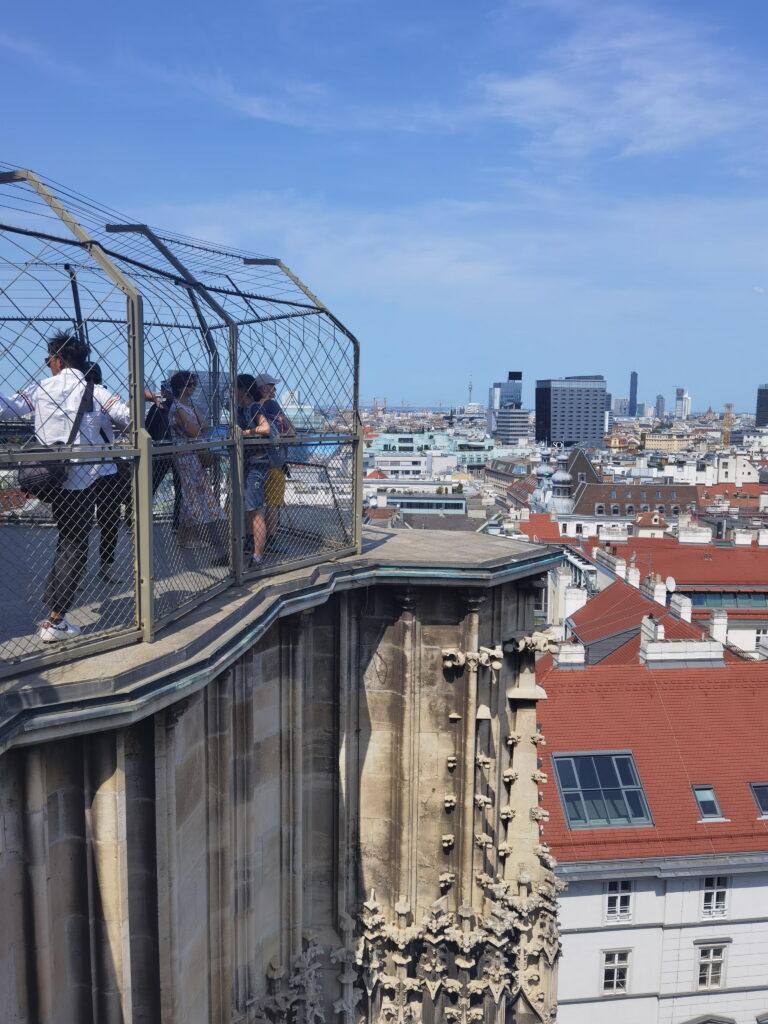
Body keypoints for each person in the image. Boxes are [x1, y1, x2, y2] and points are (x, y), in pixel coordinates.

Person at [0, 331, 130, 642]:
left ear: (57, 359)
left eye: (49, 359)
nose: (48, 364)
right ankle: (56, 619)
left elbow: (6, 409)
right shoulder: (94, 390)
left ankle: (54, 610)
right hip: (82, 480)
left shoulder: (41, 387)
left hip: (47, 477)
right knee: (74, 543)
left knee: (65, 538)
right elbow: (128, 416)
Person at [168, 370, 227, 564]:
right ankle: (189, 536)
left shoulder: (188, 405)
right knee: (190, 493)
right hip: (185, 454)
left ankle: (185, 536)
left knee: (193, 492)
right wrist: (199, 429)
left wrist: (199, 429)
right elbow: (195, 431)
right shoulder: (177, 407)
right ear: (180, 387)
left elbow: (204, 425)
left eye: (193, 384)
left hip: (192, 453)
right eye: (189, 384)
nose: (192, 387)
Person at [253, 373, 296, 552]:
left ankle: (252, 540)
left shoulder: (253, 407)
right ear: (263, 388)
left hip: (255, 461)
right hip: (274, 463)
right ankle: (270, 539)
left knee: (256, 506)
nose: (275, 389)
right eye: (271, 385)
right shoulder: (271, 405)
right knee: (272, 504)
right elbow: (290, 431)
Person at [235, 374, 270, 567]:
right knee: (251, 510)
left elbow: (266, 428)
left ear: (243, 391)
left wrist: (246, 433)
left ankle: (257, 556)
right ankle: (252, 549)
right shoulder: (243, 409)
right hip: (250, 463)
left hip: (256, 464)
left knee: (256, 511)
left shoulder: (254, 407)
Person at [145, 379, 182, 532]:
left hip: (161, 449)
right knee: (180, 488)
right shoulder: (181, 408)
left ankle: (140, 519)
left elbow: (148, 429)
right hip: (179, 449)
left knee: (151, 485)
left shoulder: (157, 408)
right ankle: (177, 523)